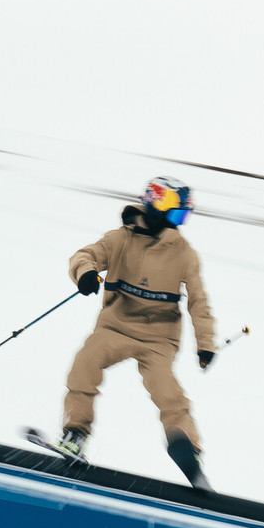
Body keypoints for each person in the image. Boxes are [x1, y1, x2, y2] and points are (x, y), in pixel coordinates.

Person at [59, 176, 216, 488]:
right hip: (116, 326)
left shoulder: (185, 254)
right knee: (85, 363)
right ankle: (75, 433)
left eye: (183, 215)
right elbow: (84, 255)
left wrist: (206, 343)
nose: (179, 221)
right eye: (176, 212)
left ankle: (189, 451)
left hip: (158, 338)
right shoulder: (120, 239)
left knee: (167, 391)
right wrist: (86, 273)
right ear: (157, 204)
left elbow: (199, 302)